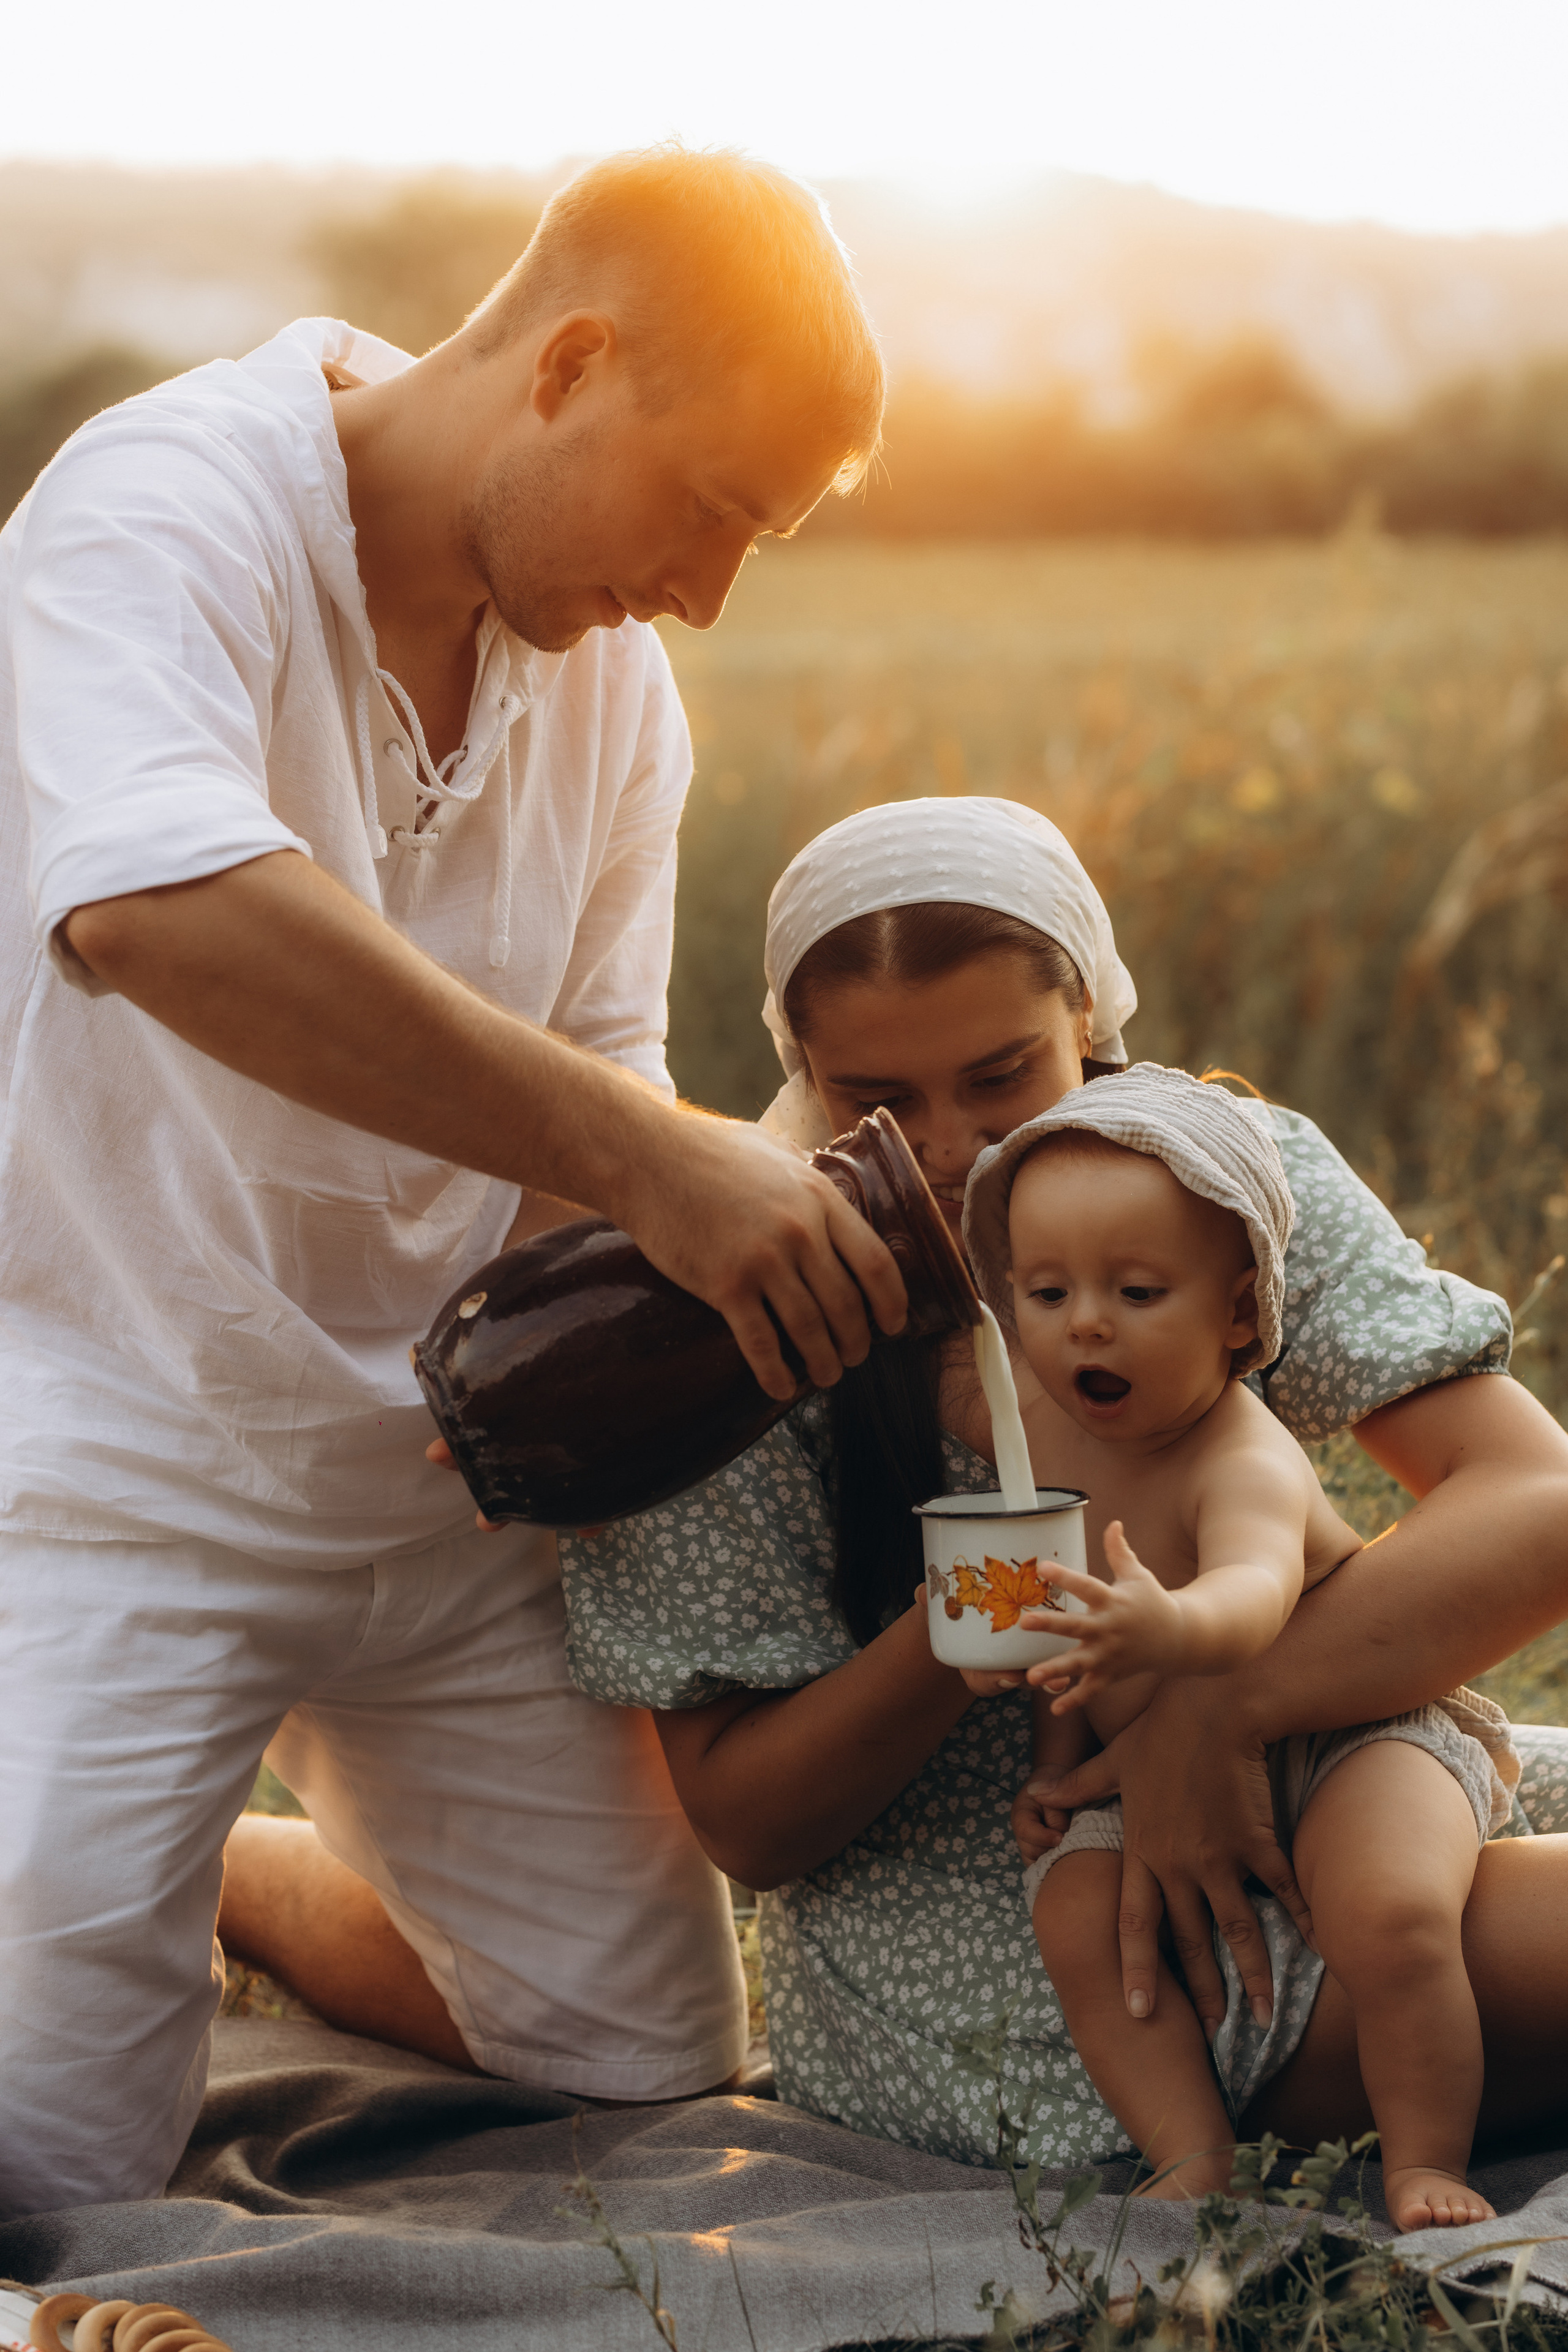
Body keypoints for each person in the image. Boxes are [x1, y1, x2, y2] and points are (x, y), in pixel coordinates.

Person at [0, 145, 911, 2218]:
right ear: (570, 363)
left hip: (447, 1487)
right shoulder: (162, 510)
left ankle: (233, 1866)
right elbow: (151, 906)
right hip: (117, 1456)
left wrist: (670, 1336)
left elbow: (595, 1066)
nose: (706, 594)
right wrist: (647, 1164)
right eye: (711, 510)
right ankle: (97, 1844)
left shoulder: (619, 691)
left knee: (651, 2089)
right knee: (48, 2169)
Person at [561, 795, 1568, 2173]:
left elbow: (1533, 1507)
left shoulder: (1222, 1182)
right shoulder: (742, 1319)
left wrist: (1206, 1714)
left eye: (1000, 1074)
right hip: (1033, 1946)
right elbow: (745, 1820)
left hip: (1304, 1773)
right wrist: (957, 1627)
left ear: (1087, 1019)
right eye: (877, 1101)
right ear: (804, 1078)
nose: (953, 1145)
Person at [960, 1065, 1512, 2227]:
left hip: (1349, 1737)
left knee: (1391, 1914)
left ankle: (1424, 2159)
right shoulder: (1045, 1434)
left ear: (1242, 1313)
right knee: (1074, 1915)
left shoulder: (1237, 1450)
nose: (1087, 1324)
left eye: (1138, 1290)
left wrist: (1162, 1624)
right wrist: (1053, 1762)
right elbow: (1067, 1637)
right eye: (1048, 1293)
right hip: (1155, 1760)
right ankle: (1192, 2152)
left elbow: (1255, 1597)